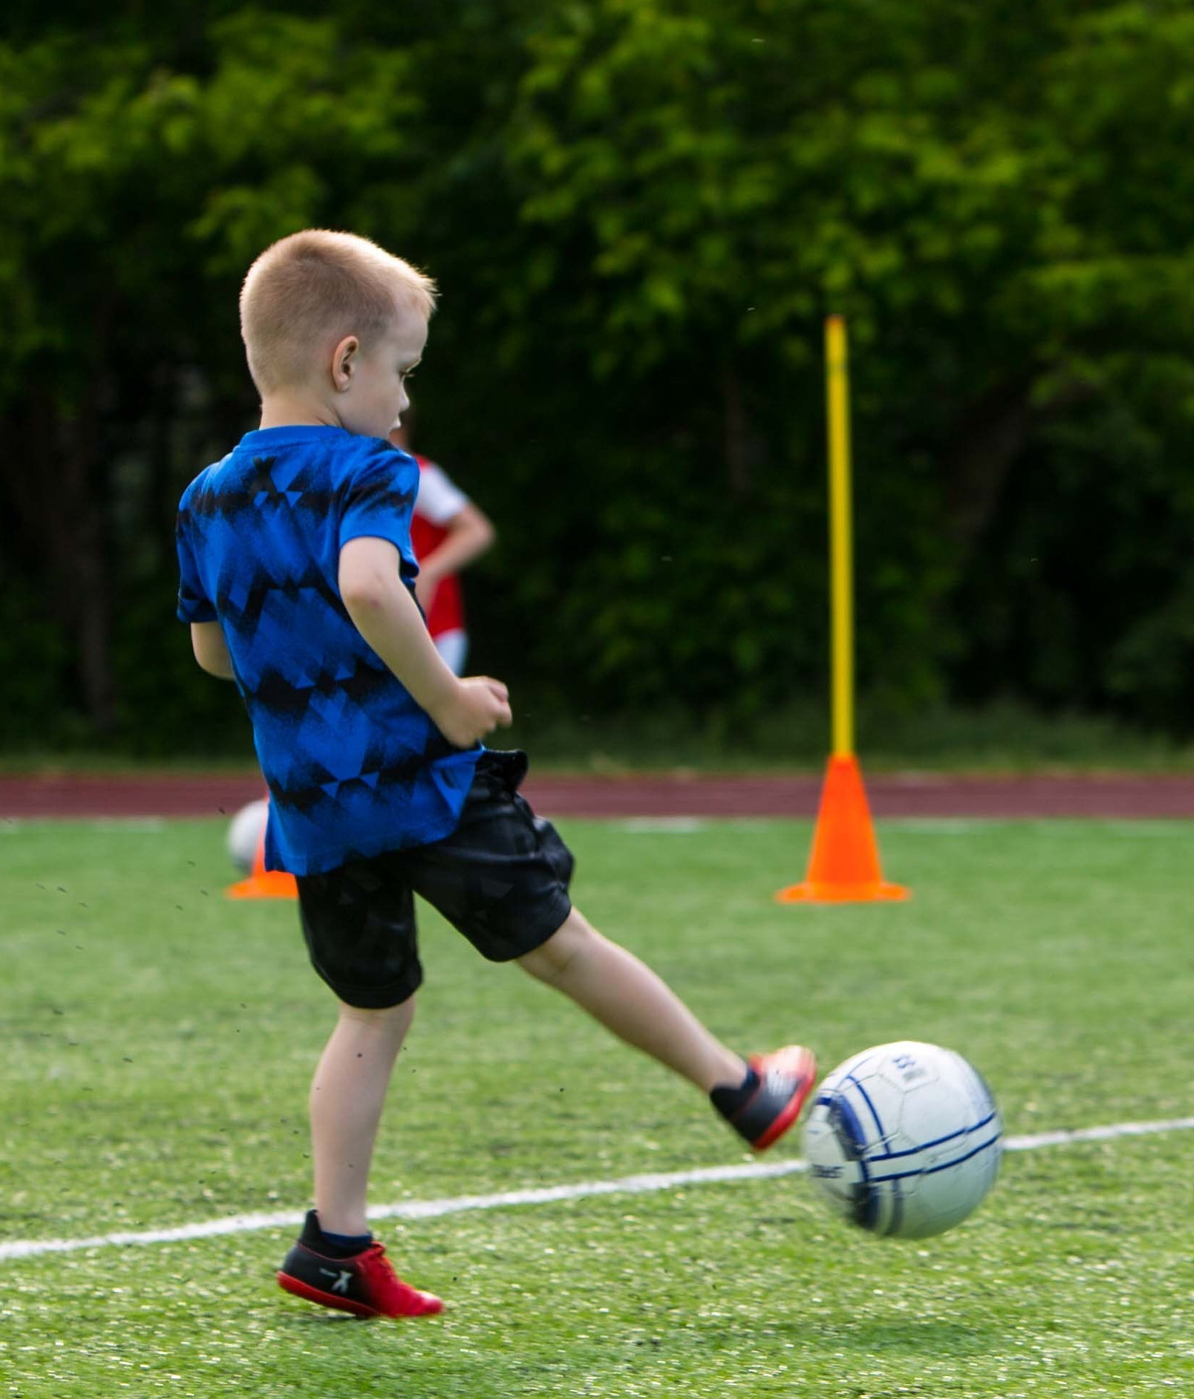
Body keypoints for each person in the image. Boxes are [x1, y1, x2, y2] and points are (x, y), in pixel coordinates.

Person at [175, 228, 815, 1319]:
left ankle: (334, 1242)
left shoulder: (209, 496)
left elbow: (212, 652)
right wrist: (449, 701)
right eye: (400, 369)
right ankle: (740, 1087)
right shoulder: (373, 468)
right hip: (422, 779)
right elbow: (374, 587)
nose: (401, 394)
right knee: (560, 942)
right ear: (344, 363)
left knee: (370, 1011)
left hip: (316, 807)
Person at [393, 409, 491, 673]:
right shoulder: (374, 476)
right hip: (401, 630)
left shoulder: (416, 474)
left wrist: (427, 573)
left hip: (434, 631)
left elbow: (477, 530)